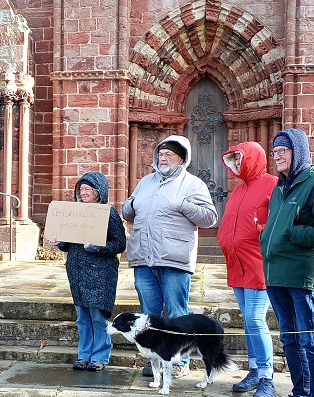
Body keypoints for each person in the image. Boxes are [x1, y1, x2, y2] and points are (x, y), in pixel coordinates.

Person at [260, 128, 314, 397]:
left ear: (299, 153)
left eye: (284, 150)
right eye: (275, 150)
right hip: (277, 273)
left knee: (309, 340)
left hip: (301, 273)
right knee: (291, 340)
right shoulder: (281, 187)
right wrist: (268, 238)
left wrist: (292, 234)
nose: (277, 154)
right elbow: (273, 226)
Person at [122, 135, 218, 378]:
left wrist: (185, 206)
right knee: (148, 315)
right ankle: (155, 361)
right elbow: (128, 212)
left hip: (174, 258)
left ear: (182, 159)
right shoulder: (146, 182)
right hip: (143, 257)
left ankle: (178, 361)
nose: (163, 158)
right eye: (161, 154)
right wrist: (129, 206)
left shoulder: (193, 184)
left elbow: (209, 217)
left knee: (176, 314)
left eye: (170, 155)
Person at [216, 141, 277, 397]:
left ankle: (266, 377)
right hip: (236, 265)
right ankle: (254, 370)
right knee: (248, 321)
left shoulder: (272, 185)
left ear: (253, 158)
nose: (237, 164)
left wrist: (262, 230)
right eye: (234, 160)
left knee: (255, 318)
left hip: (258, 265)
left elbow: (276, 222)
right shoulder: (238, 191)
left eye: (241, 158)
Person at [51, 172, 127, 371]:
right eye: (81, 189)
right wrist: (60, 242)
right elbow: (68, 244)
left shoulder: (108, 213)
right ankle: (84, 355)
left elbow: (119, 244)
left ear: (98, 192)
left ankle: (100, 356)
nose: (83, 192)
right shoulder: (74, 212)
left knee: (97, 317)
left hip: (100, 272)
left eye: (88, 189)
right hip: (77, 271)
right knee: (82, 317)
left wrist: (99, 248)